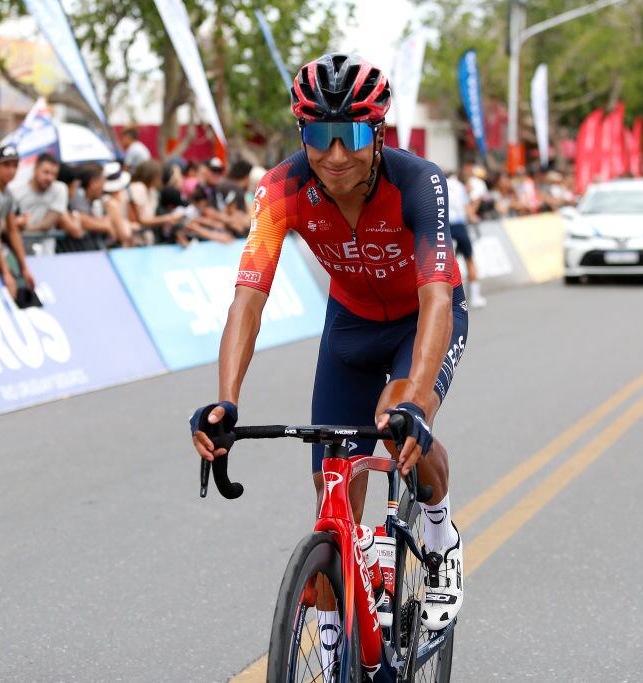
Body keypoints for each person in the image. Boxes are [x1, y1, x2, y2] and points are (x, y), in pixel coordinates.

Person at [190, 54, 467, 648]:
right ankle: (340, 612)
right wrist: (225, 402)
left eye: (353, 135)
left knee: (395, 422)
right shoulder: (282, 187)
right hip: (350, 326)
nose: (336, 155)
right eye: (320, 135)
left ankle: (440, 534)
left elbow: (438, 297)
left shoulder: (419, 182)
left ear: (379, 134)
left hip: (421, 320)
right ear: (301, 133)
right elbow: (248, 299)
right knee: (333, 485)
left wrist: (418, 399)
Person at [0, 144, 36, 301]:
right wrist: (6, 273)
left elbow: (12, 230)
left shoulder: (8, 193)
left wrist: (24, 268)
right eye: (6, 165)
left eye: (14, 166)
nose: (11, 170)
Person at [12, 152, 83, 240]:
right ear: (35, 169)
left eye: (54, 174)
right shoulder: (14, 189)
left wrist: (27, 228)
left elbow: (48, 222)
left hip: (46, 250)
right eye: (46, 172)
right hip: (20, 246)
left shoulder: (59, 189)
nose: (49, 178)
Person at [446, 171, 487, 308]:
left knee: (446, 264)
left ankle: (448, 299)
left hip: (445, 227)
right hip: (459, 225)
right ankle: (475, 297)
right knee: (469, 260)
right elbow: (468, 211)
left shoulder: (442, 184)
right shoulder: (460, 188)